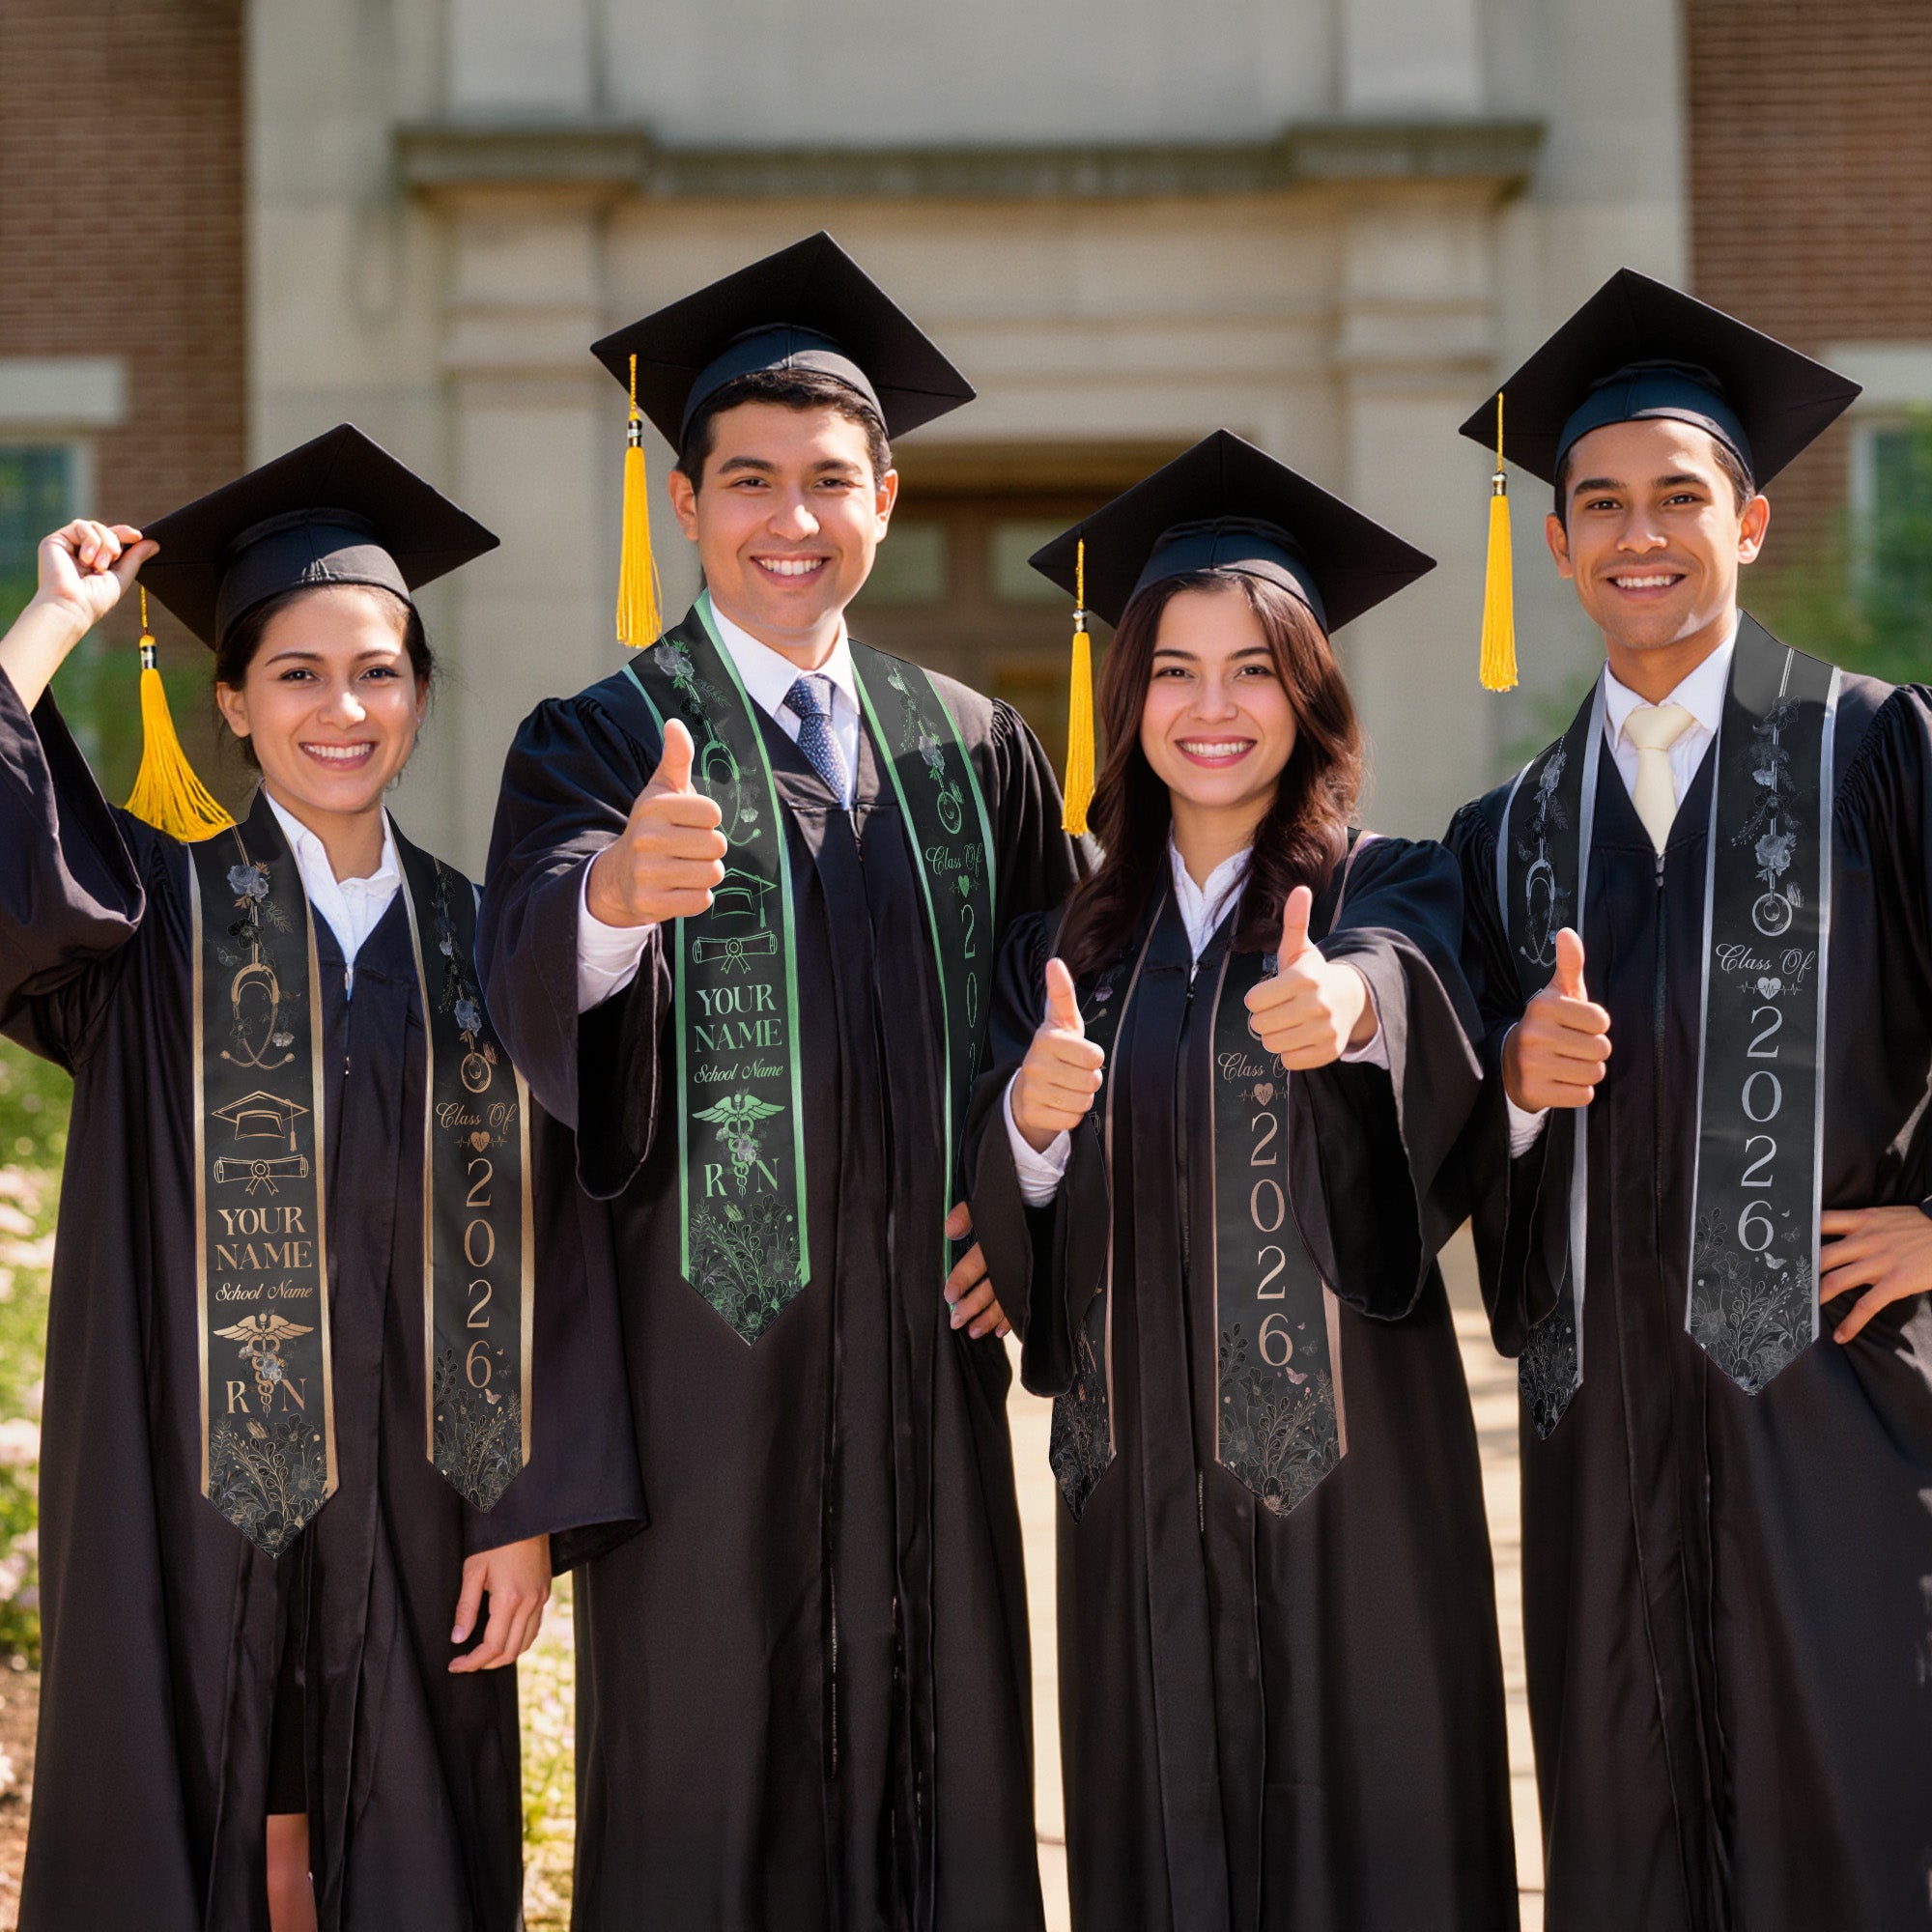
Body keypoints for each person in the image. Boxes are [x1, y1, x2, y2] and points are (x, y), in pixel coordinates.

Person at [479, 232, 1081, 1930]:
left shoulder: (971, 746)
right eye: (749, 481)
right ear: (685, 504)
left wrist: (1023, 1207)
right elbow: (525, 965)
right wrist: (612, 900)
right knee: (710, 1784)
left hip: (926, 1369)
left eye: (829, 480)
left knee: (941, 1768)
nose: (790, 518)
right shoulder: (601, 737)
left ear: (886, 498)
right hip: (704, 1379)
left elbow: (1067, 1004)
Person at [0, 425, 642, 1932]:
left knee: (405, 1835)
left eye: (378, 672)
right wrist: (53, 621)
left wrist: (526, 1508)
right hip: (179, 1490)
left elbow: (560, 1235)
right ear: (231, 701)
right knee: (190, 1810)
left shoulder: (487, 940)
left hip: (423, 1503)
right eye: (296, 673)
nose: (341, 709)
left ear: (418, 694)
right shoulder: (149, 919)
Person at [963, 431, 1517, 1931]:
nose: (1213, 708)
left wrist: (1351, 1010)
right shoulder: (1063, 946)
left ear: (1310, 692)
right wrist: (1028, 1126)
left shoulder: (1387, 882)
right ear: (1126, 697)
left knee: (1374, 1839)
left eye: (1254, 670)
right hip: (1134, 1487)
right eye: (1175, 671)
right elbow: (1016, 1223)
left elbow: (1409, 987)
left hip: (1355, 1489)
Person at [1446, 270, 1932, 1930]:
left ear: (1752, 523)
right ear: (1557, 543)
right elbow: (1441, 1135)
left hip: (1839, 1410)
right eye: (1599, 504)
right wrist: (1512, 1090)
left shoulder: (1879, 755)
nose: (1637, 534)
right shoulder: (1511, 834)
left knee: (1856, 1825)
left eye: (1678, 498)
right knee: (1627, 1838)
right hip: (1603, 1441)